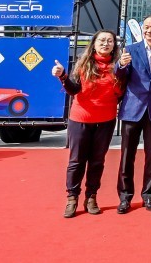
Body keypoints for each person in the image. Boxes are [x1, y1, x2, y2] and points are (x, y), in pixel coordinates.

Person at [52, 30, 124, 218]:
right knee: (76, 161)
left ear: (114, 46)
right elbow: (74, 89)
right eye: (102, 40)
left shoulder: (119, 67)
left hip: (106, 121)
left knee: (97, 161)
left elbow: (122, 93)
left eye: (109, 41)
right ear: (94, 43)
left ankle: (91, 197)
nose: (106, 43)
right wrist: (63, 76)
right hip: (81, 119)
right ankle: (72, 198)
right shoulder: (83, 63)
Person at [113, 15, 151, 213]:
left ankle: (149, 196)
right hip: (132, 109)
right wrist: (121, 65)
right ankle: (125, 197)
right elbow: (120, 75)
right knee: (127, 156)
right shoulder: (130, 49)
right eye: (146, 27)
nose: (149, 30)